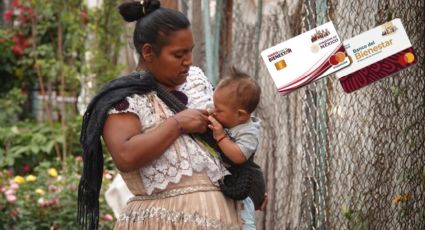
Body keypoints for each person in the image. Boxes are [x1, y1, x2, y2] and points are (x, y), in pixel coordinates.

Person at [77, 1, 241, 229]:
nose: (189, 61)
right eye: (178, 54)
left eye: (190, 51)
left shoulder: (196, 81)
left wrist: (249, 176)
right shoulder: (125, 99)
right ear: (148, 52)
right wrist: (178, 124)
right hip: (161, 222)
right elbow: (125, 155)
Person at [207, 67, 263, 230]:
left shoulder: (249, 132)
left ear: (241, 115)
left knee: (244, 219)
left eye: (219, 110)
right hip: (233, 180)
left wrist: (221, 137)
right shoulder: (227, 117)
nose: (214, 111)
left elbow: (239, 156)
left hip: (248, 185)